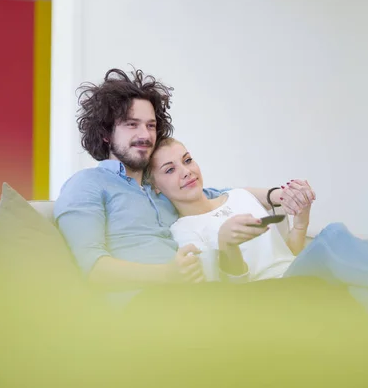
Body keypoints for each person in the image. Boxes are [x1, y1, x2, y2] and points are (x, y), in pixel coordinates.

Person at [146, 137, 368, 349]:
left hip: (295, 275)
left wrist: (301, 219)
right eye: (170, 169)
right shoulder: (184, 230)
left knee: (337, 256)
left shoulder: (238, 196)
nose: (186, 171)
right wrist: (227, 245)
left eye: (187, 160)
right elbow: (226, 292)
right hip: (265, 296)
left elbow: (291, 254)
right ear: (156, 186)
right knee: (334, 237)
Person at [54, 68, 287, 298]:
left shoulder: (161, 188)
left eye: (151, 125)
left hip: (198, 296)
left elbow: (219, 194)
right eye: (131, 124)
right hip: (145, 303)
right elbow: (93, 269)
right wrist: (167, 274)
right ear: (106, 133)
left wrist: (279, 195)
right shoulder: (86, 184)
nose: (145, 135)